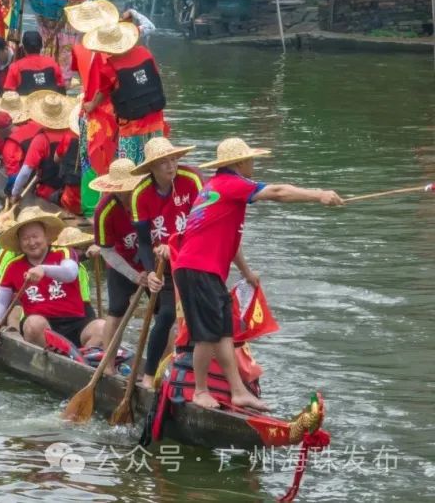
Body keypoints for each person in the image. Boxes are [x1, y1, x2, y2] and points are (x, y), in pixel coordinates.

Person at [173, 138, 343, 411]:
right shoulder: (230, 184)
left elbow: (230, 239)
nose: (253, 164)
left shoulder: (216, 187)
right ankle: (201, 391)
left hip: (202, 269)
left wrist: (247, 272)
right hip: (197, 268)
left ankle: (238, 392)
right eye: (250, 160)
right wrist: (318, 195)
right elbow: (277, 192)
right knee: (206, 335)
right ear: (239, 163)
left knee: (223, 332)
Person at [130, 137, 203, 389]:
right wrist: (150, 272)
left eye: (173, 160)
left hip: (194, 259)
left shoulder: (191, 180)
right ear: (152, 167)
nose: (171, 166)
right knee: (167, 315)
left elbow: (202, 223)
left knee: (201, 317)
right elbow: (143, 241)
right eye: (163, 163)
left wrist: (175, 246)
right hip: (164, 266)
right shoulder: (140, 193)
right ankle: (149, 375)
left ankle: (199, 376)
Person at [0, 206, 105, 351]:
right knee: (33, 324)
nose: (32, 242)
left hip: (76, 322)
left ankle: (84, 356)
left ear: (46, 237)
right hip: (41, 325)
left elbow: (70, 273)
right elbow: (0, 301)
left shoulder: (64, 253)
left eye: (35, 236)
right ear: (20, 242)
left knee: (103, 327)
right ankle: (53, 355)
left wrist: (44, 269)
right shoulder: (13, 266)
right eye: (25, 239)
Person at [85, 158, 158, 374]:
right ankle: (108, 366)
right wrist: (134, 275)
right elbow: (107, 250)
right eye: (122, 191)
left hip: (154, 260)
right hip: (122, 262)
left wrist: (151, 269)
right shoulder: (104, 210)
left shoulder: (149, 197)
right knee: (116, 311)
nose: (127, 195)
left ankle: (162, 369)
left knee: (163, 314)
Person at [83, 19, 167, 165]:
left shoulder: (108, 68)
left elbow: (102, 92)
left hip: (131, 128)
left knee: (128, 168)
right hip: (156, 121)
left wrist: (91, 105)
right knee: (155, 163)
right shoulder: (145, 53)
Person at [65, 0, 121, 216]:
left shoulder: (78, 48)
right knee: (112, 160)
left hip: (91, 112)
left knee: (89, 161)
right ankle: (110, 206)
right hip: (112, 112)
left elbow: (85, 82)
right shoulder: (111, 51)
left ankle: (91, 210)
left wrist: (90, 101)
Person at [12, 91, 79, 203]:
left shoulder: (41, 139)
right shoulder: (73, 134)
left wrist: (15, 193)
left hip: (48, 191)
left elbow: (25, 172)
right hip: (70, 191)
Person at [4, 30, 64, 95]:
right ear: (41, 46)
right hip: (50, 100)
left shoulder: (15, 67)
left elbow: (8, 94)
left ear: (24, 48)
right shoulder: (52, 63)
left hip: (25, 101)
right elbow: (61, 89)